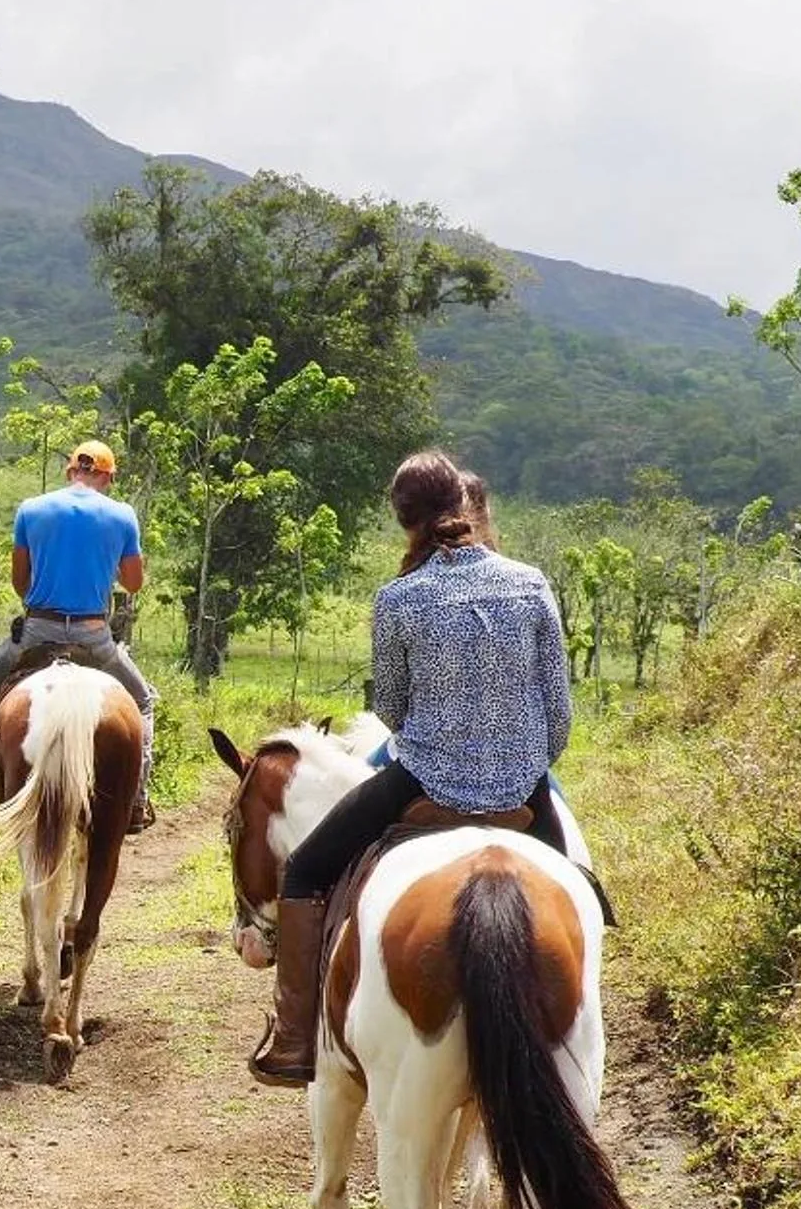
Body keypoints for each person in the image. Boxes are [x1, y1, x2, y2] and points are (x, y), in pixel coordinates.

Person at [246, 450, 574, 1088]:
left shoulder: (398, 597)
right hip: (524, 784)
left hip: (428, 778)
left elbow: (393, 710)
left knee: (308, 869)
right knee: (581, 891)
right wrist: (519, 763)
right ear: (464, 502)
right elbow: (558, 711)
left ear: (403, 519)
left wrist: (451, 746)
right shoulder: (531, 582)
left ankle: (294, 1041)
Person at [0, 440, 155, 822]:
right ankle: (138, 800)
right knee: (142, 702)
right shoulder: (122, 515)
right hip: (95, 637)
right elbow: (133, 583)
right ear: (108, 476)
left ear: (69, 471)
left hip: (36, 632)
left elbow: (19, 581)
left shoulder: (31, 509)